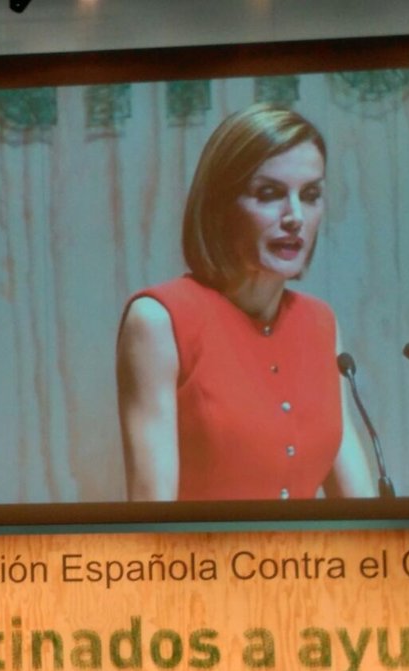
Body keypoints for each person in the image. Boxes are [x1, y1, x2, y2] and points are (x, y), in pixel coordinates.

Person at [117, 104, 375, 502]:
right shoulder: (158, 319)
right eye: (269, 194)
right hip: (200, 564)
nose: (294, 217)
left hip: (311, 564)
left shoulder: (319, 323)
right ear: (220, 206)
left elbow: (360, 511)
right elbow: (152, 515)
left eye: (310, 196)